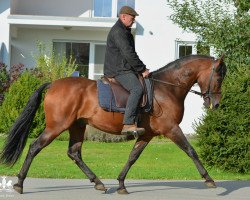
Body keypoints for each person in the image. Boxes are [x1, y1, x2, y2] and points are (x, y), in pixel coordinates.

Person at [104, 6, 150, 136]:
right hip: (118, 70)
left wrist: (141, 68)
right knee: (137, 89)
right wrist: (142, 69)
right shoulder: (118, 31)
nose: (134, 20)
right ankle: (128, 123)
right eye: (132, 17)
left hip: (123, 68)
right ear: (123, 16)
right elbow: (128, 54)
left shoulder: (125, 31)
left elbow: (131, 54)